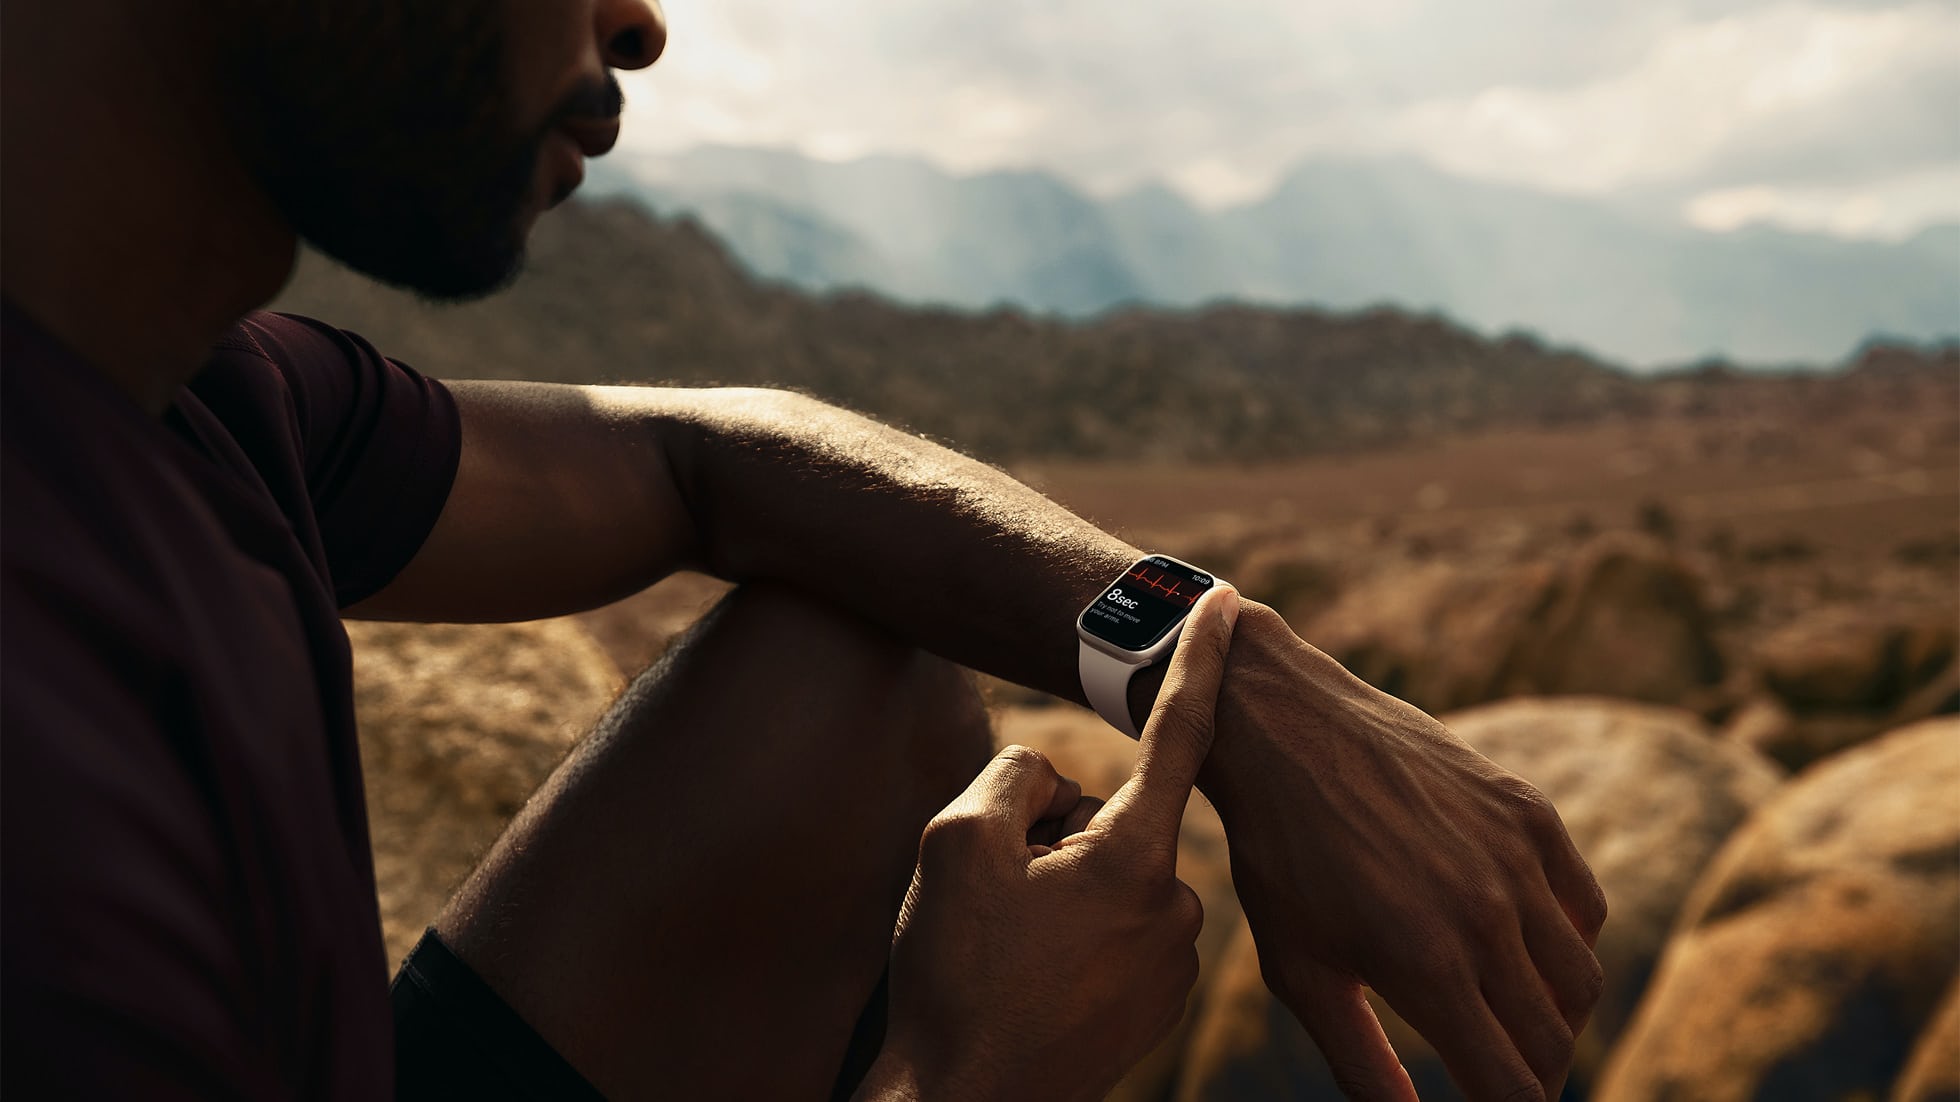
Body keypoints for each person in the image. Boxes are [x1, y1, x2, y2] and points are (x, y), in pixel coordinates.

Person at [0, 0, 1606, 1099]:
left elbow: (709, 458)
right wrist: (963, 1068)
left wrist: (1233, 678)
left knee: (847, 658)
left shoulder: (193, 388)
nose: (638, 22)